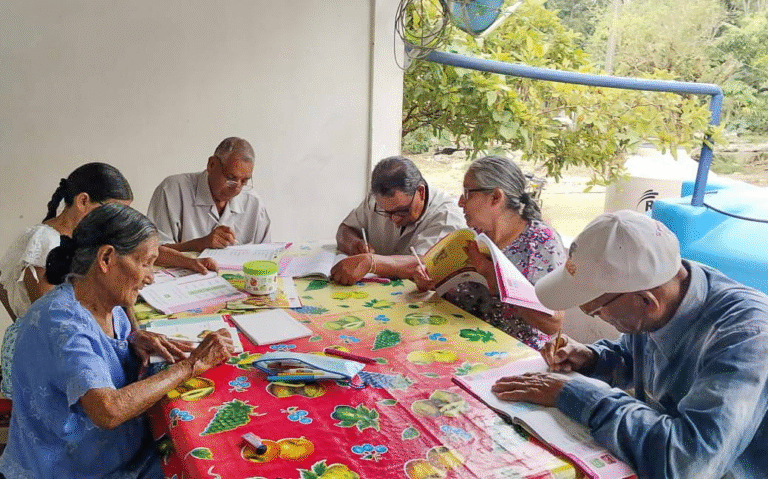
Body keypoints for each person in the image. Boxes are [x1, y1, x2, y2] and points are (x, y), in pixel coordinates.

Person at [491, 210, 768, 479]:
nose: (595, 317)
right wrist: (593, 359)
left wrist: (577, 395)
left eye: (595, 312)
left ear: (647, 301)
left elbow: (689, 463)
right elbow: (636, 356)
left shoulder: (748, 336)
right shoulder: (671, 287)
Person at [0, 203, 233, 478]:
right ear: (106, 258)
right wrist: (190, 365)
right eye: (145, 263)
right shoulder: (63, 323)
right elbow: (107, 411)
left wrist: (131, 339)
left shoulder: (105, 303)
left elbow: (97, 354)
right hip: (68, 470)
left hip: (116, 455)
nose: (150, 277)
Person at [0, 162, 216, 398]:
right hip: (45, 353)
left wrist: (189, 262)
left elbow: (139, 250)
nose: (117, 220)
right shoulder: (45, 244)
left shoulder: (87, 238)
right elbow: (52, 321)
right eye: (113, 212)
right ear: (83, 202)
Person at [415, 156, 566, 349]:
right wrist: (428, 281)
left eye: (467, 193)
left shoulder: (541, 241)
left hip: (512, 353)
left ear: (496, 197)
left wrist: (499, 283)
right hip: (458, 341)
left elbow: (552, 323)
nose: (460, 202)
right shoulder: (473, 236)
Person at [331, 155, 465, 285]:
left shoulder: (447, 216)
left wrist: (371, 262)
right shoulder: (376, 202)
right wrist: (354, 244)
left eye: (401, 211)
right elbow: (344, 230)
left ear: (421, 192)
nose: (394, 219)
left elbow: (427, 264)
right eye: (385, 212)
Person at [147, 137, 271, 252]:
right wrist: (201, 244)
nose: (236, 188)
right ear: (211, 164)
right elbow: (152, 252)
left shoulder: (253, 202)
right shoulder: (172, 190)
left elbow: (266, 255)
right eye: (231, 178)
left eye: (244, 181)